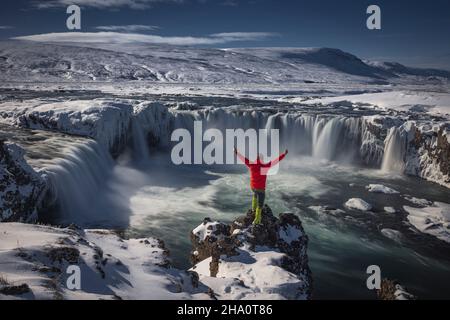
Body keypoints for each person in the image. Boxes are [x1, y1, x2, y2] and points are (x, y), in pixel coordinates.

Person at [234, 147, 288, 225]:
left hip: (253, 187)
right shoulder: (265, 166)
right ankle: (257, 220)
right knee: (260, 204)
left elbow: (243, 159)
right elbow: (276, 161)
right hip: (261, 189)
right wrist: (284, 154)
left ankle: (253, 209)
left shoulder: (251, 164)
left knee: (255, 194)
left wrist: (236, 152)